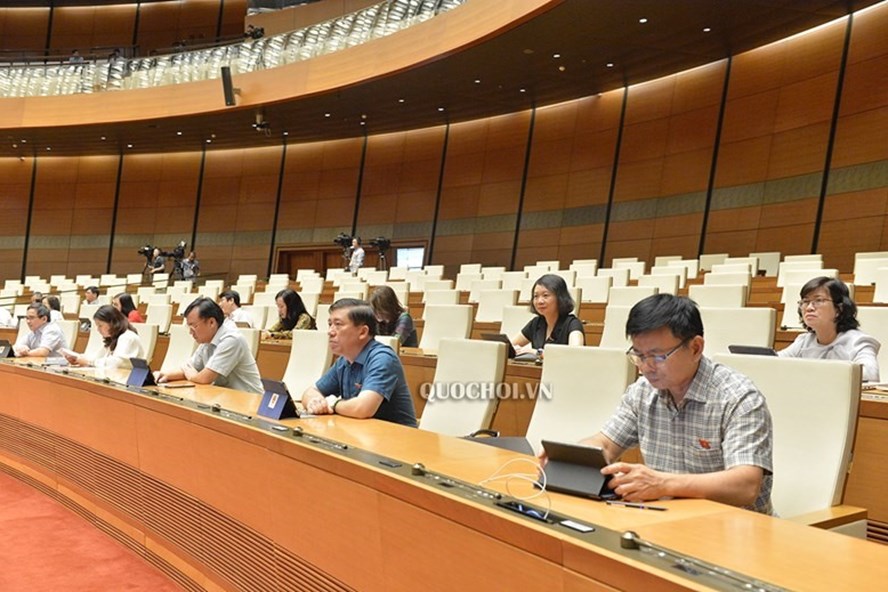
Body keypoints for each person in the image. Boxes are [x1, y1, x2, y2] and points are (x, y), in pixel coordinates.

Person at [548, 294, 774, 514]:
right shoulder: (642, 392)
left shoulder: (739, 398)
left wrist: (663, 483)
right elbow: (606, 445)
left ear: (695, 348)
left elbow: (745, 485)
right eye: (638, 355)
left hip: (736, 529)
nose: (645, 367)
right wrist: (570, 459)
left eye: (657, 356)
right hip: (666, 519)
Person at [302, 299, 417, 426]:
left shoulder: (383, 358)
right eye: (330, 324)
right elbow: (310, 392)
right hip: (363, 434)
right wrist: (315, 402)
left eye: (338, 324)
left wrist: (332, 403)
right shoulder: (344, 361)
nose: (330, 332)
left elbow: (362, 408)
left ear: (362, 332)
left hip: (397, 440)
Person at [778, 276, 880, 382]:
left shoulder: (858, 341)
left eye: (818, 300)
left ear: (839, 309)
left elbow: (870, 375)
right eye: (805, 302)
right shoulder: (804, 341)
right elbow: (774, 361)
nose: (809, 308)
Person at [154, 298, 263, 395]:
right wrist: (163, 374)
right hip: (225, 397)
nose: (191, 333)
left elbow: (204, 378)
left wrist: (191, 375)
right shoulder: (207, 340)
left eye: (194, 326)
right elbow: (189, 368)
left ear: (211, 322)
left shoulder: (232, 339)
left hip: (249, 401)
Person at [511, 273, 584, 354]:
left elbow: (575, 353)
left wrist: (537, 353)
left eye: (545, 295)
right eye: (536, 296)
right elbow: (509, 347)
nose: (539, 301)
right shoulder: (536, 323)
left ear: (560, 298)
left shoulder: (572, 324)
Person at [63, 305, 143, 369]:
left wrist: (88, 362)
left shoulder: (128, 337)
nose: (98, 330)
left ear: (113, 323)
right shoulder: (113, 338)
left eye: (100, 325)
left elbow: (117, 363)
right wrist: (78, 358)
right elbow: (97, 357)